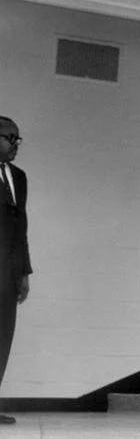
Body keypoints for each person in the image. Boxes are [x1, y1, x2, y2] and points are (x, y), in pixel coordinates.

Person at [0, 117, 30, 427]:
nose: (15, 145)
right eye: (10, 138)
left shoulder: (19, 178)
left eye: (18, 139)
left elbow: (22, 228)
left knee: (2, 338)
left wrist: (24, 273)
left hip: (8, 273)